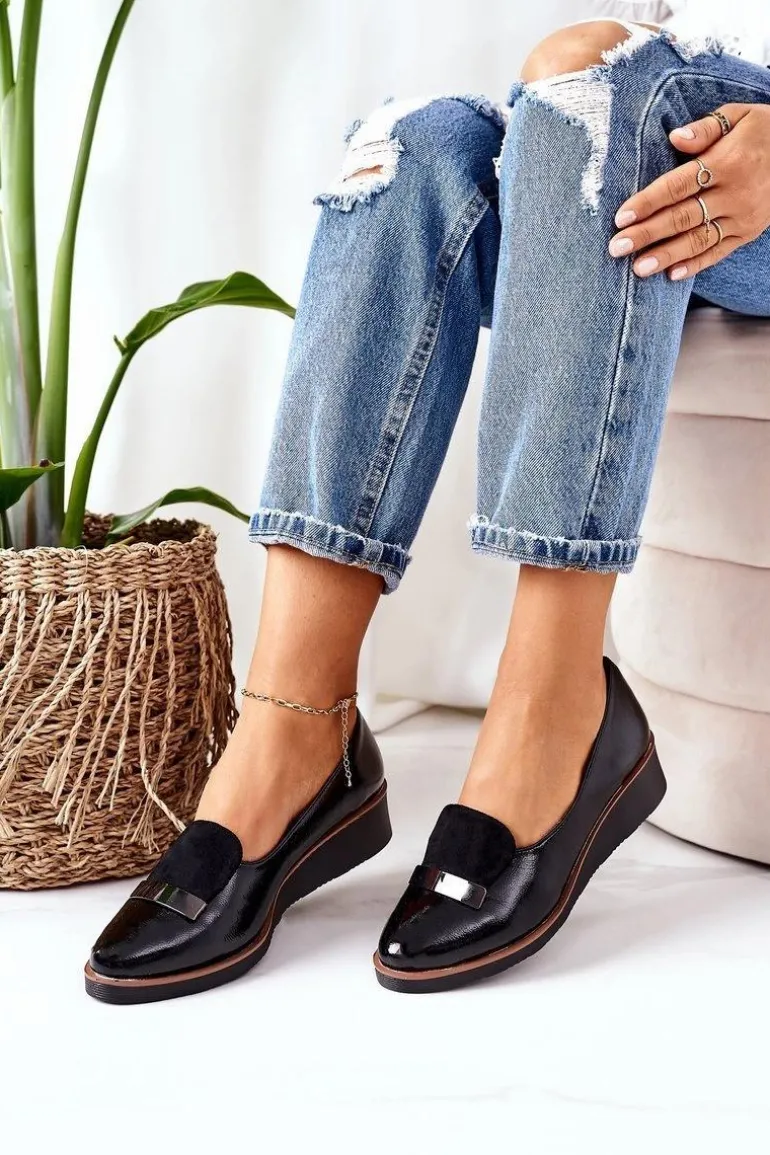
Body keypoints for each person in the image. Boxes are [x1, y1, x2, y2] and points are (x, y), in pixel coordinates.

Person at [84, 14, 770, 1003]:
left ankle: (554, 711)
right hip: (690, 125)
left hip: (697, 139)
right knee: (416, 147)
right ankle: (293, 731)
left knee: (592, 81)